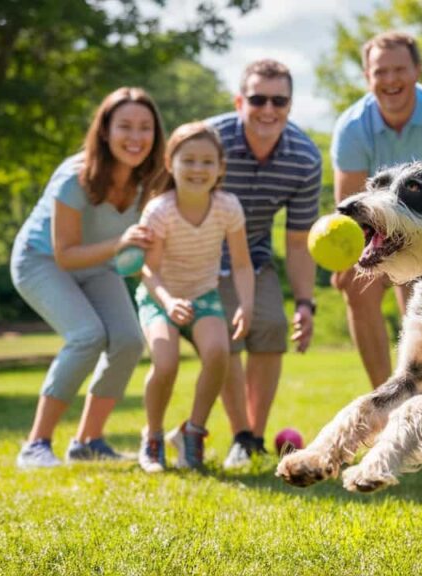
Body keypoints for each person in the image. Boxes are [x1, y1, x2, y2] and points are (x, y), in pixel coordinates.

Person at [10, 87, 166, 468]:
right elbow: (64, 254)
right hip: (41, 261)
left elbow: (130, 252)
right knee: (87, 336)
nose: (135, 137)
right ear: (105, 131)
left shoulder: (149, 180)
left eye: (145, 127)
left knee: (129, 341)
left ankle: (88, 441)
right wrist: (121, 243)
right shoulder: (74, 177)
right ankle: (36, 444)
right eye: (125, 126)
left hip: (99, 262)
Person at [330, 31, 422, 389]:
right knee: (354, 281)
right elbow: (352, 211)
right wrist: (355, 260)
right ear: (368, 77)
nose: (390, 80)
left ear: (417, 71)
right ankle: (388, 399)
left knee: (419, 295)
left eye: (399, 69)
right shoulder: (352, 127)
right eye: (380, 72)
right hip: (378, 229)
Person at [205, 59, 322, 469]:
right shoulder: (210, 140)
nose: (268, 109)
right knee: (227, 333)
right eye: (257, 99)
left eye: (279, 100)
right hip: (201, 254)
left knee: (271, 326)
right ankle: (240, 434)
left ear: (290, 105)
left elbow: (297, 239)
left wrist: (305, 303)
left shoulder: (305, 157)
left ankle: (253, 438)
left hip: (252, 255)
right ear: (240, 100)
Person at [136, 122, 255, 472]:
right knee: (166, 362)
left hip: (203, 295)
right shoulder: (160, 210)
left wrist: (246, 304)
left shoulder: (228, 207)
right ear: (170, 163)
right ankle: (153, 437)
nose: (198, 169)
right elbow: (148, 270)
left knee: (219, 352)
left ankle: (192, 432)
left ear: (220, 167)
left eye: (207, 162)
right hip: (160, 297)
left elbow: (243, 265)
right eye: (188, 160)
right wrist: (169, 302)